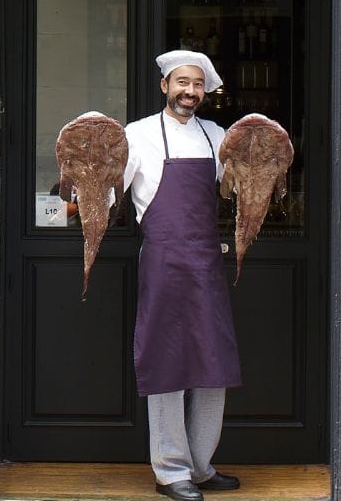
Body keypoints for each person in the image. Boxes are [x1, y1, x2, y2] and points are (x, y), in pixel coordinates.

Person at [123, 50, 241, 501]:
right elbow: (113, 188)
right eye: (182, 82)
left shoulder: (216, 136)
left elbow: (236, 185)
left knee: (214, 364)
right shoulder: (138, 135)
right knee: (167, 361)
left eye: (197, 85)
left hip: (207, 261)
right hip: (164, 261)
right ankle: (171, 471)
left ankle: (201, 466)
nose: (190, 91)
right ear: (165, 87)